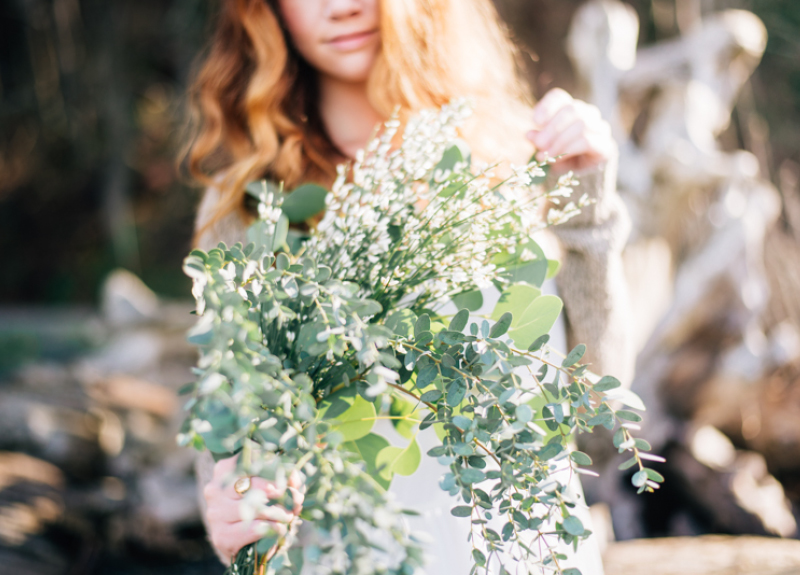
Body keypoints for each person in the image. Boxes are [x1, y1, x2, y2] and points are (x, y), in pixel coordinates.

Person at [185, 0, 633, 572]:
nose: (341, 7)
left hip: (527, 552)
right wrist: (229, 507)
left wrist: (586, 209)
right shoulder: (248, 207)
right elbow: (225, 424)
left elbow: (600, 406)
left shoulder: (516, 154)